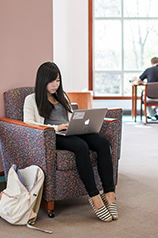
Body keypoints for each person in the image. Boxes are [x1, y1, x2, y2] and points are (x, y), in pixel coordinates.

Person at [24, 61, 118, 222]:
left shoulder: (62, 96)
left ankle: (109, 194)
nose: (55, 85)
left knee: (102, 142)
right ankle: (94, 197)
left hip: (71, 130)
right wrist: (56, 127)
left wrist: (80, 124)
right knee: (81, 146)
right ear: (42, 81)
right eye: (52, 81)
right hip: (54, 136)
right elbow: (28, 123)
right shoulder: (31, 99)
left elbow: (70, 117)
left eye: (58, 80)